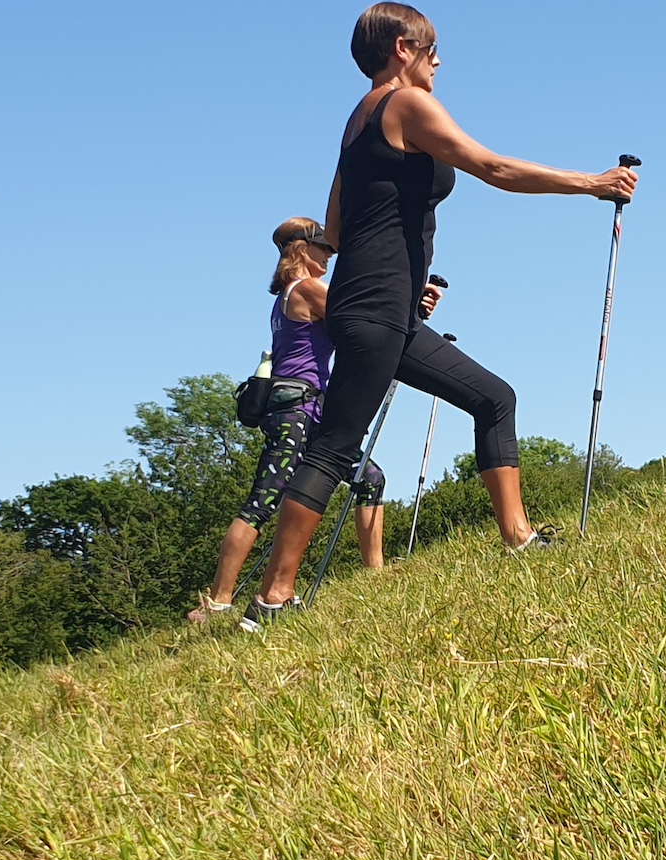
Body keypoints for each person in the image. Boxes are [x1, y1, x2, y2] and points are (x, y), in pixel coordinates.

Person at [240, 2, 637, 630]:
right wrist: (592, 183)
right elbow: (494, 168)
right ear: (403, 49)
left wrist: (396, 280)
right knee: (336, 445)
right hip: (374, 308)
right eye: (432, 51)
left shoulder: (357, 121)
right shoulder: (406, 104)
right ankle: (270, 601)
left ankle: (519, 539)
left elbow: (336, 226)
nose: (439, 62)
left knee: (493, 398)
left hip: (377, 305)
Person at [187, 217, 391, 624]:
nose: (329, 257)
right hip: (297, 409)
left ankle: (376, 576)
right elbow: (358, 315)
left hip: (309, 408)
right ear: (301, 250)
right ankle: (216, 603)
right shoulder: (308, 289)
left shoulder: (283, 297)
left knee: (369, 478)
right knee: (264, 500)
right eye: (324, 249)